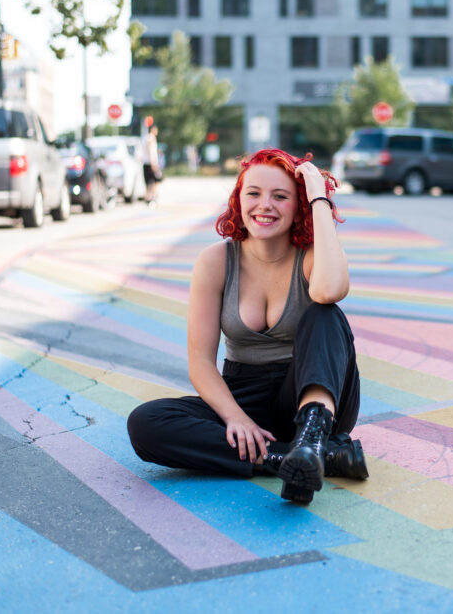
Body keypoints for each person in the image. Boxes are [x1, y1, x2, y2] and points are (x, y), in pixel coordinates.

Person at [127, 148, 367, 504]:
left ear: (299, 204)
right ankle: (300, 458)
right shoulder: (216, 262)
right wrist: (236, 419)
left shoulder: (314, 257)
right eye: (253, 193)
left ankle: (313, 440)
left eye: (280, 196)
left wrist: (318, 195)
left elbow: (331, 290)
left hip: (310, 394)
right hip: (245, 396)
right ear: (238, 200)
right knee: (146, 423)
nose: (264, 205)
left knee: (325, 312)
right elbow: (201, 363)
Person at [142, 125, 161, 206]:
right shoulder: (151, 138)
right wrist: (154, 163)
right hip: (151, 163)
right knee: (155, 180)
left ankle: (148, 197)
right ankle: (152, 197)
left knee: (148, 182)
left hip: (146, 162)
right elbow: (151, 151)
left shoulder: (145, 137)